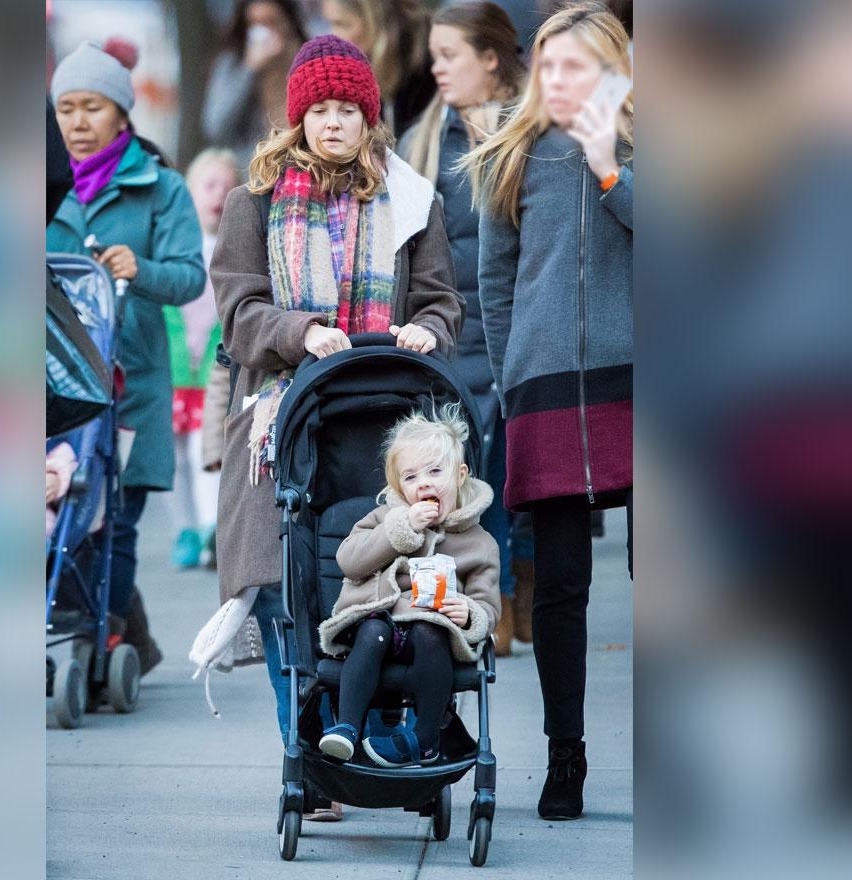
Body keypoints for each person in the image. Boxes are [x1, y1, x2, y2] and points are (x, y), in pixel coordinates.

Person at [210, 33, 464, 818]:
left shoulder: (413, 199)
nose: (332, 122)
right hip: (285, 418)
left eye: (347, 109)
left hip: (385, 423)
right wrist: (300, 332)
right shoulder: (255, 200)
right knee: (290, 588)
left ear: (369, 118)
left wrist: (428, 327)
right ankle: (309, 757)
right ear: (297, 118)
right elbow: (237, 310)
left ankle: (391, 744)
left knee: (385, 582)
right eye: (318, 109)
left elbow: (442, 303)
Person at [463, 2, 633, 820]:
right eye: (550, 67)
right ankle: (566, 755)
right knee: (560, 587)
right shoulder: (510, 154)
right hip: (544, 391)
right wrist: (513, 375)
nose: (559, 81)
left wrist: (611, 169)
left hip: (640, 383)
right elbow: (496, 285)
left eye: (578, 67)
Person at [46, 41, 207, 675]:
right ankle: (111, 629)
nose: (77, 123)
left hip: (131, 385)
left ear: (120, 113)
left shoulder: (159, 187)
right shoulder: (53, 191)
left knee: (114, 521)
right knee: (67, 518)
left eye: (91, 108)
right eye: (66, 109)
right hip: (60, 391)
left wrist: (141, 270)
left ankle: (106, 637)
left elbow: (191, 277)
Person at [398, 1, 525, 656]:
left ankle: (507, 595)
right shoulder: (423, 138)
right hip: (448, 337)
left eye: (449, 55)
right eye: (434, 54)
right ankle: (482, 598)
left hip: (515, 335)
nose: (435, 68)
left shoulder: (530, 134)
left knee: (506, 476)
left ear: (491, 57)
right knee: (458, 474)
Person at [316, 405, 501, 767]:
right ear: (399, 486)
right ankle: (347, 729)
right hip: (377, 621)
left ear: (460, 475)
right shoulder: (385, 518)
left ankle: (425, 738)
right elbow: (349, 560)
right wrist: (400, 530)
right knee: (371, 632)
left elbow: (488, 603)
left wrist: (470, 614)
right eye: (412, 477)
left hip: (431, 634)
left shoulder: (479, 542)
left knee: (429, 634)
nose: (425, 483)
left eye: (435, 471)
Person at [163, 149, 238, 568]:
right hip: (174, 370)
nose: (219, 195)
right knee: (171, 458)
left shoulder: (232, 249)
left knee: (205, 450)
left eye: (227, 188)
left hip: (209, 372)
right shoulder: (177, 245)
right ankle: (185, 529)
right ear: (189, 194)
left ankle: (211, 526)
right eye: (209, 186)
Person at [203, 0, 309, 169]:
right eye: (255, 24)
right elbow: (216, 129)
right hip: (252, 174)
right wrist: (249, 71)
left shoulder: (308, 61)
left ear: (288, 22)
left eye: (270, 22)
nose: (263, 33)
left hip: (301, 172)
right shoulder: (233, 63)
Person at [319, 0, 437, 138]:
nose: (333, 36)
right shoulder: (369, 68)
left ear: (373, 20)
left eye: (342, 24)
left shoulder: (427, 69)